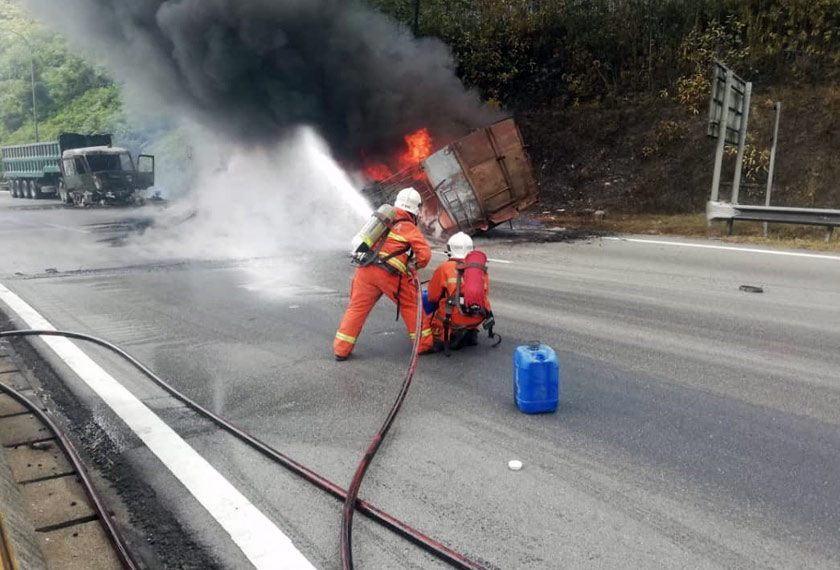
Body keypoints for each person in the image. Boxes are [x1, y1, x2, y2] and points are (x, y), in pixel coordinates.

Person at [334, 187, 434, 361]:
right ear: (416, 209)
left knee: (356, 308)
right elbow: (425, 255)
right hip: (390, 275)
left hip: (364, 270)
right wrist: (413, 265)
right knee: (412, 305)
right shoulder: (409, 227)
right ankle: (423, 344)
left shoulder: (381, 217)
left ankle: (341, 349)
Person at [427, 232, 492, 352]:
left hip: (454, 318)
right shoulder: (479, 269)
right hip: (479, 315)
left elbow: (432, 296)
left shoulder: (444, 268)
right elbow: (484, 293)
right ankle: (471, 331)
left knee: (429, 318)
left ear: (450, 249)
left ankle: (446, 336)